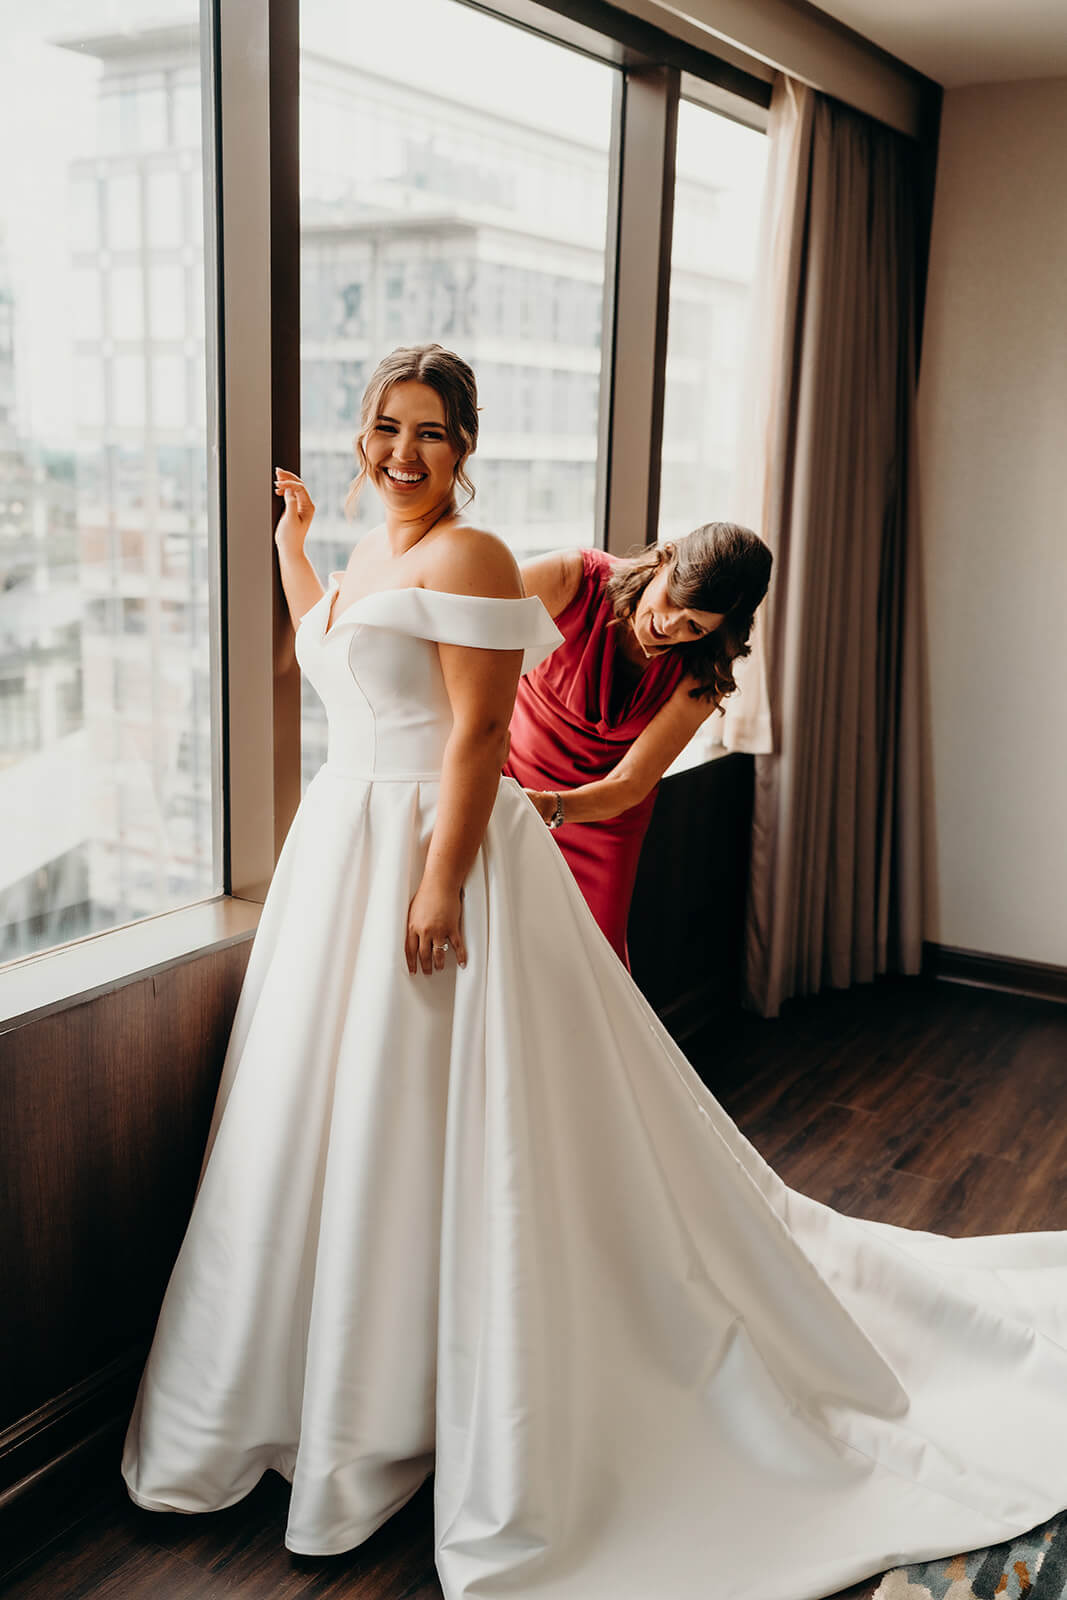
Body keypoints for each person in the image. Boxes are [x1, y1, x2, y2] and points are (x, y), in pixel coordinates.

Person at [122, 343, 1067, 1600]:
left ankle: (437, 1387)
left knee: (449, 1107)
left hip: (425, 846)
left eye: (431, 433)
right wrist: (296, 540)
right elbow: (323, 653)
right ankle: (337, 1382)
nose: (402, 453)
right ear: (362, 434)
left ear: (466, 447)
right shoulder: (369, 549)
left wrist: (442, 876)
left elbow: (471, 733)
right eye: (384, 427)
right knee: (336, 1115)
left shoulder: (468, 552)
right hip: (337, 857)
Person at [507, 529, 772, 965]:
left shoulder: (705, 671)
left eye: (694, 626)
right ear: (664, 560)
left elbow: (632, 783)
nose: (668, 625)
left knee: (590, 968)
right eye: (673, 599)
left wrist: (549, 807)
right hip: (509, 785)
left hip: (604, 821)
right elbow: (468, 623)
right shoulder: (573, 578)